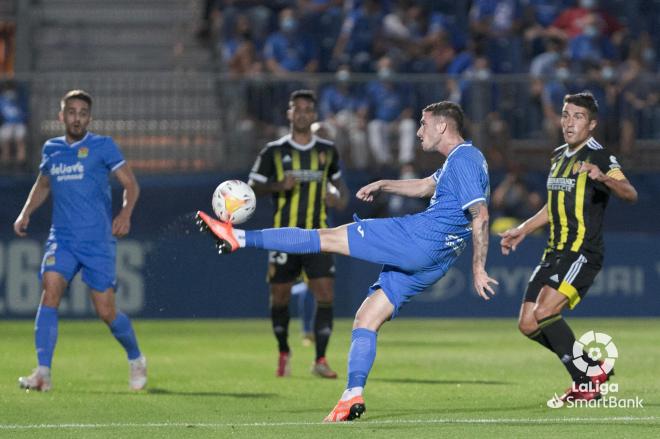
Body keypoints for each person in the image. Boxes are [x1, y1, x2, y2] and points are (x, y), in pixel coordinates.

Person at [196, 100, 497, 422]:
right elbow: (427, 185)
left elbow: (480, 215)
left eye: (423, 124)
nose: (420, 131)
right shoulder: (466, 158)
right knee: (366, 318)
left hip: (419, 237)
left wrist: (479, 268)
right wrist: (384, 184)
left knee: (325, 238)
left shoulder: (463, 160)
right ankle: (351, 395)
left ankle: (238, 238)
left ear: (442, 126)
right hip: (437, 259)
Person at [499, 92, 638, 403]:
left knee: (546, 311)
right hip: (554, 250)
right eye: (565, 115)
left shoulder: (599, 156)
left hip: (582, 251)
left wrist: (603, 177)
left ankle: (586, 380)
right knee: (527, 323)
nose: (569, 122)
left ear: (591, 125)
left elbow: (630, 193)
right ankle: (590, 369)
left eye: (577, 117)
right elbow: (551, 208)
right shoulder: (559, 155)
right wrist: (521, 230)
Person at [13, 90, 147, 392]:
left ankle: (136, 358)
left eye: (83, 112)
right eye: (71, 112)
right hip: (62, 239)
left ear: (89, 117)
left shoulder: (103, 146)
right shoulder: (52, 149)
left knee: (105, 311)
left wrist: (125, 213)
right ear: (62, 116)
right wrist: (25, 214)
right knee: (50, 291)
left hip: (97, 242)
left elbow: (130, 184)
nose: (77, 117)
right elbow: (43, 184)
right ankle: (43, 373)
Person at [247, 89, 349, 379]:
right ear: (289, 114)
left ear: (314, 115)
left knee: (325, 293)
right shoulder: (273, 151)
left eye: (308, 109)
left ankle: (320, 359)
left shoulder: (327, 151)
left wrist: (337, 199)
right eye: (297, 109)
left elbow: (341, 189)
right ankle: (283, 351)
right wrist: (278, 186)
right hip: (283, 236)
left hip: (318, 236)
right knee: (280, 296)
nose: (302, 113)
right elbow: (250, 188)